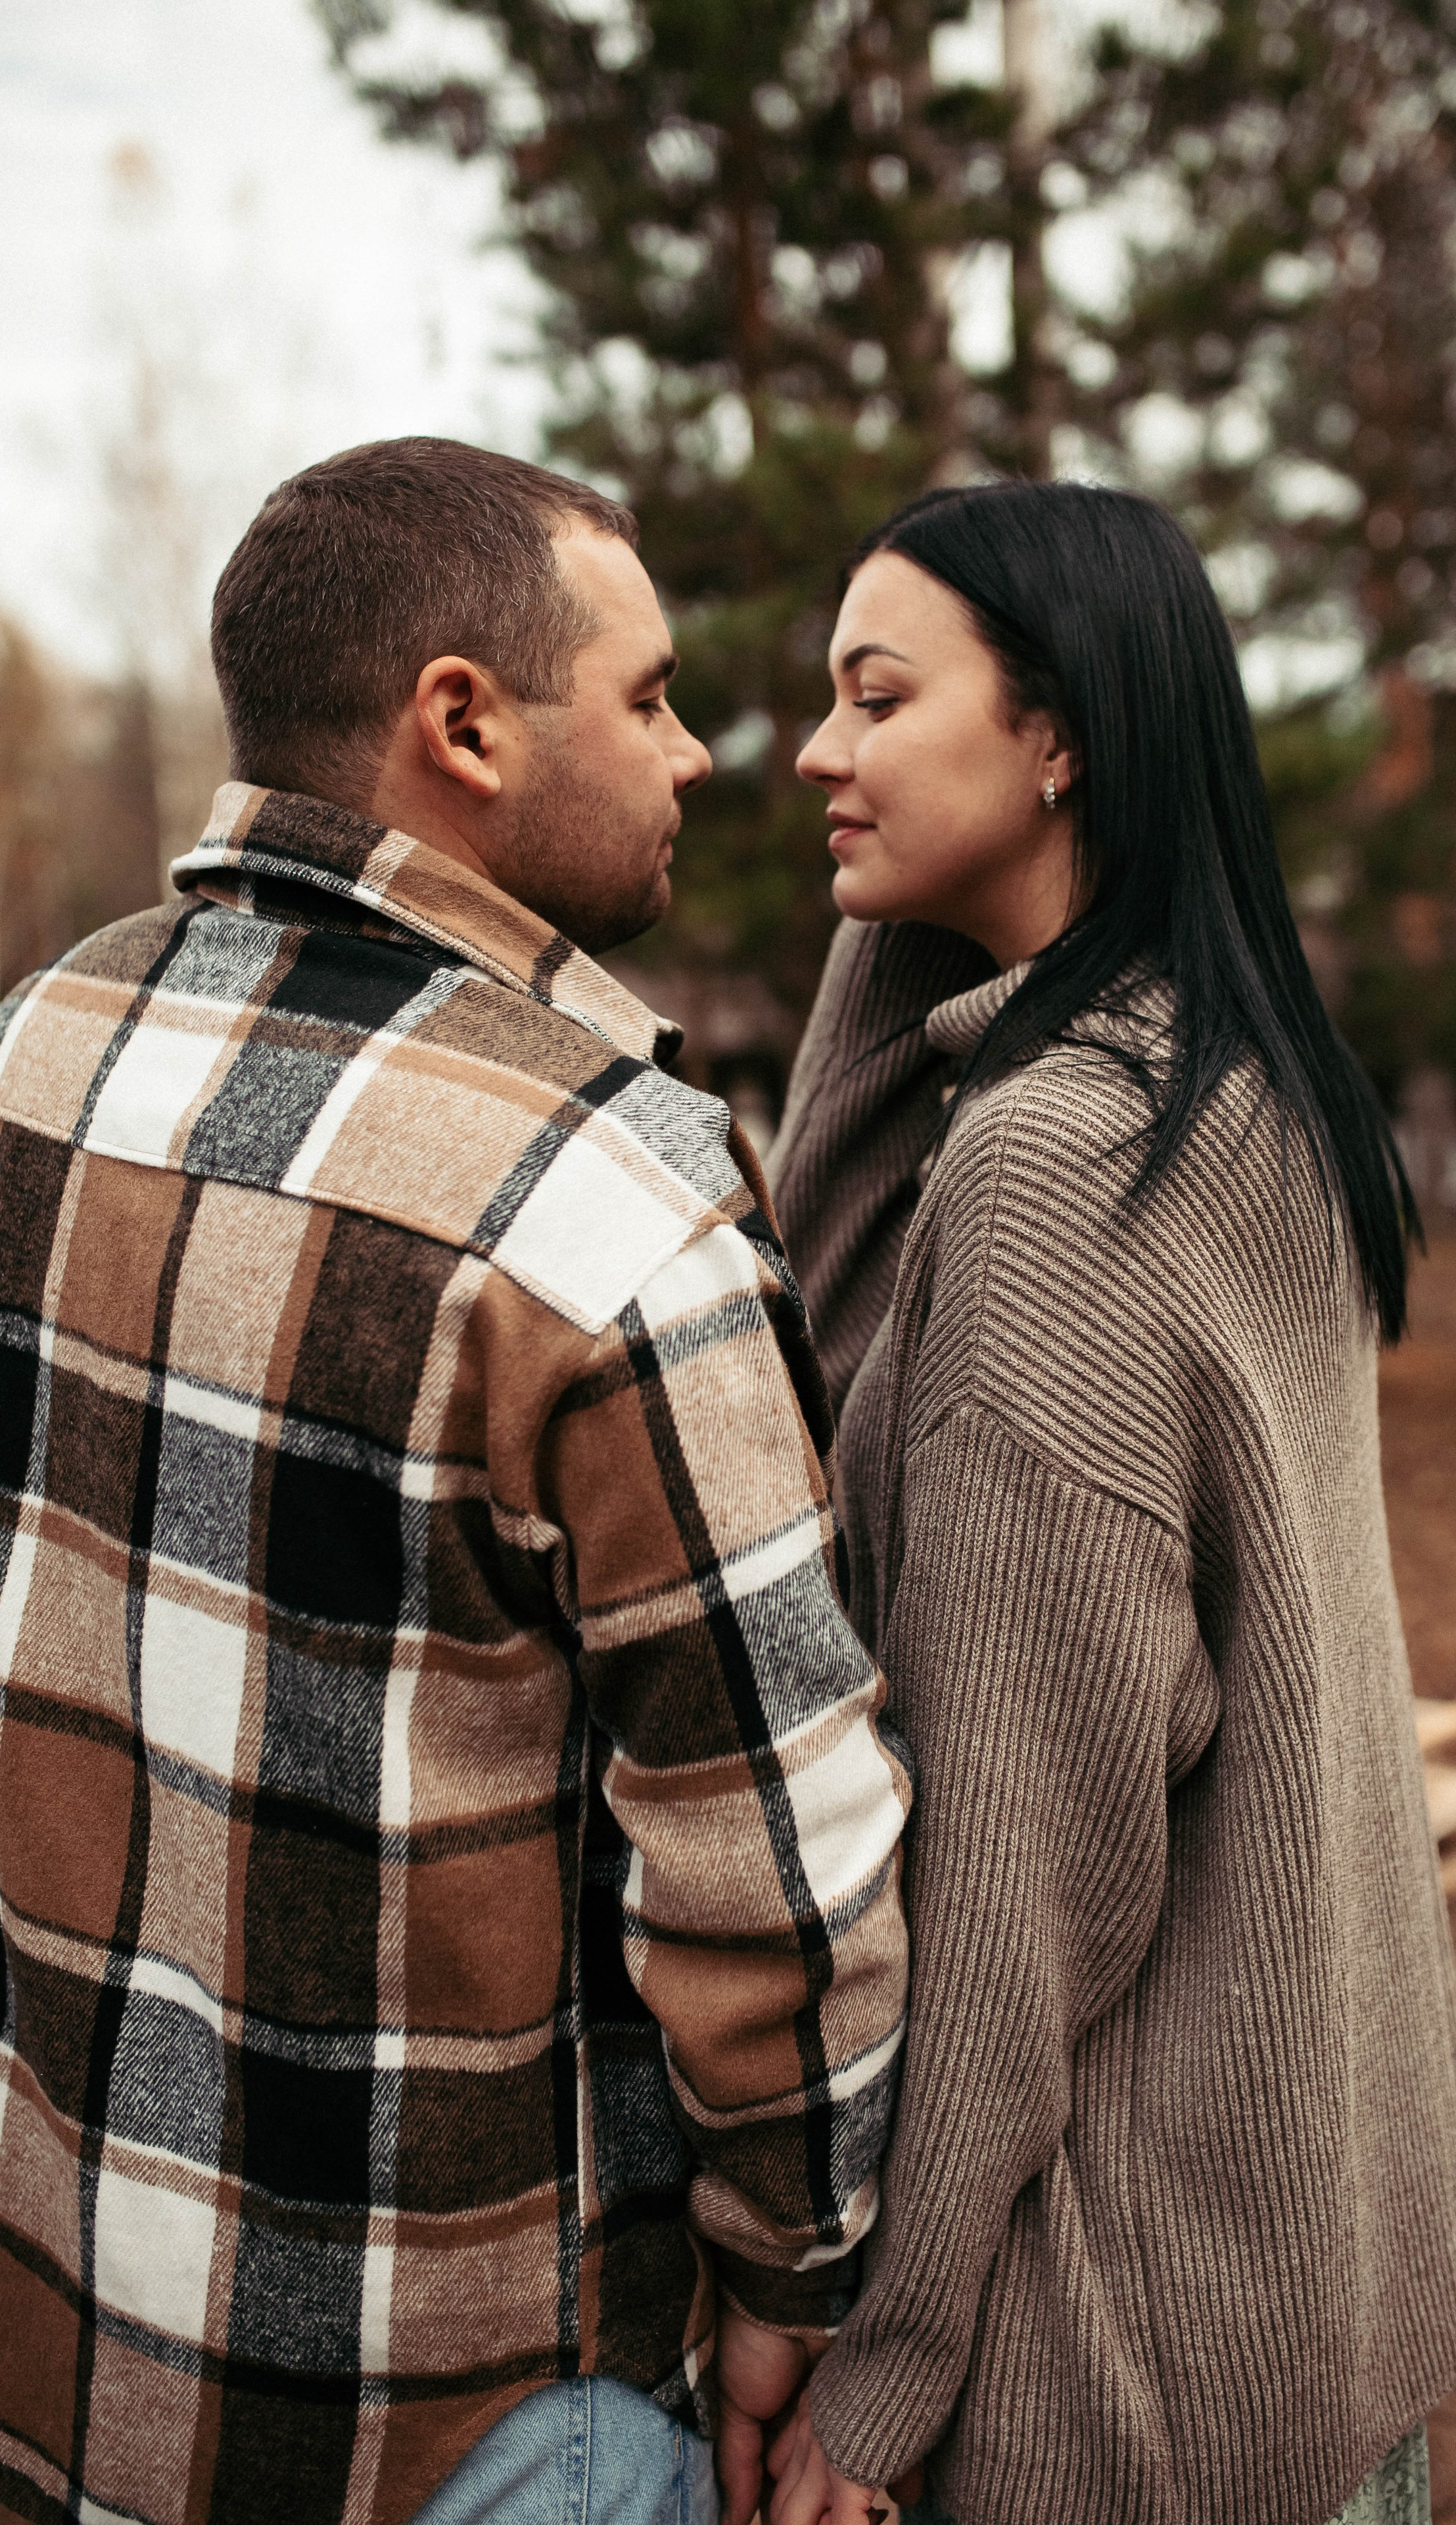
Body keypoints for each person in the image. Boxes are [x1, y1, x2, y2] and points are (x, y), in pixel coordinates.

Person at [0, 439, 911, 2525]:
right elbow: (773, 1854)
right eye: (654, 695)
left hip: (69, 2334)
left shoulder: (35, 1057)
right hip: (477, 2411)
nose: (700, 755)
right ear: (465, 725)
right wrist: (798, 2266)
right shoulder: (609, 1200)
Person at [762, 481, 1456, 2525]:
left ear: (1059, 730)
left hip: (1125, 2370)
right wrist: (905, 921)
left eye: (874, 695)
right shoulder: (1231, 1083)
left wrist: (878, 2377)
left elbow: (1019, 1876)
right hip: (1324, 2248)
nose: (813, 748)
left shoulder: (1054, 1182)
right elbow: (835, 1319)